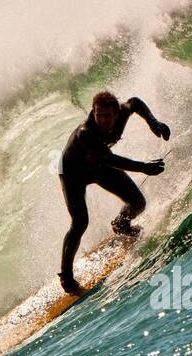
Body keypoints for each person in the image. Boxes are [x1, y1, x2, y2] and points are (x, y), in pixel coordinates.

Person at [58, 91, 170, 294]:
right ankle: (66, 278)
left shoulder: (122, 113)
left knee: (137, 203)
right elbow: (111, 160)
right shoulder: (85, 133)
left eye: (107, 116)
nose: (102, 120)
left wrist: (154, 123)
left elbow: (135, 102)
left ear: (116, 113)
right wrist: (144, 167)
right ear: (93, 112)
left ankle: (121, 224)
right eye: (98, 115)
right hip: (72, 173)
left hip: (97, 167)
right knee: (80, 221)